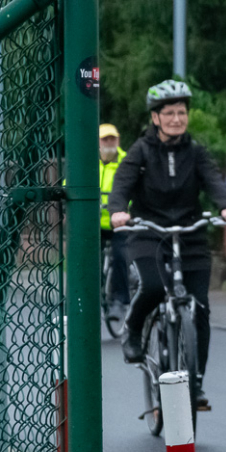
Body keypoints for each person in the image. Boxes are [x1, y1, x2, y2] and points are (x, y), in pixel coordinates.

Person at [108, 80, 226, 408]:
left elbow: (212, 180)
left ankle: (195, 383)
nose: (177, 119)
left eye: (182, 113)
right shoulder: (140, 151)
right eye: (169, 113)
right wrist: (118, 211)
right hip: (149, 231)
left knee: (201, 309)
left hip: (190, 232)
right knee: (152, 286)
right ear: (156, 118)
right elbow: (122, 184)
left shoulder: (195, 152)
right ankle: (134, 330)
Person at [99, 123, 131, 319]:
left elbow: (135, 187)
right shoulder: (87, 160)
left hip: (119, 222)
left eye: (113, 139)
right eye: (105, 139)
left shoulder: (126, 162)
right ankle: (89, 298)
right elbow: (70, 182)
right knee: (90, 260)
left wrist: (127, 209)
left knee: (120, 256)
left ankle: (121, 299)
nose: (109, 143)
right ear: (98, 143)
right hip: (94, 223)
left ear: (118, 140)